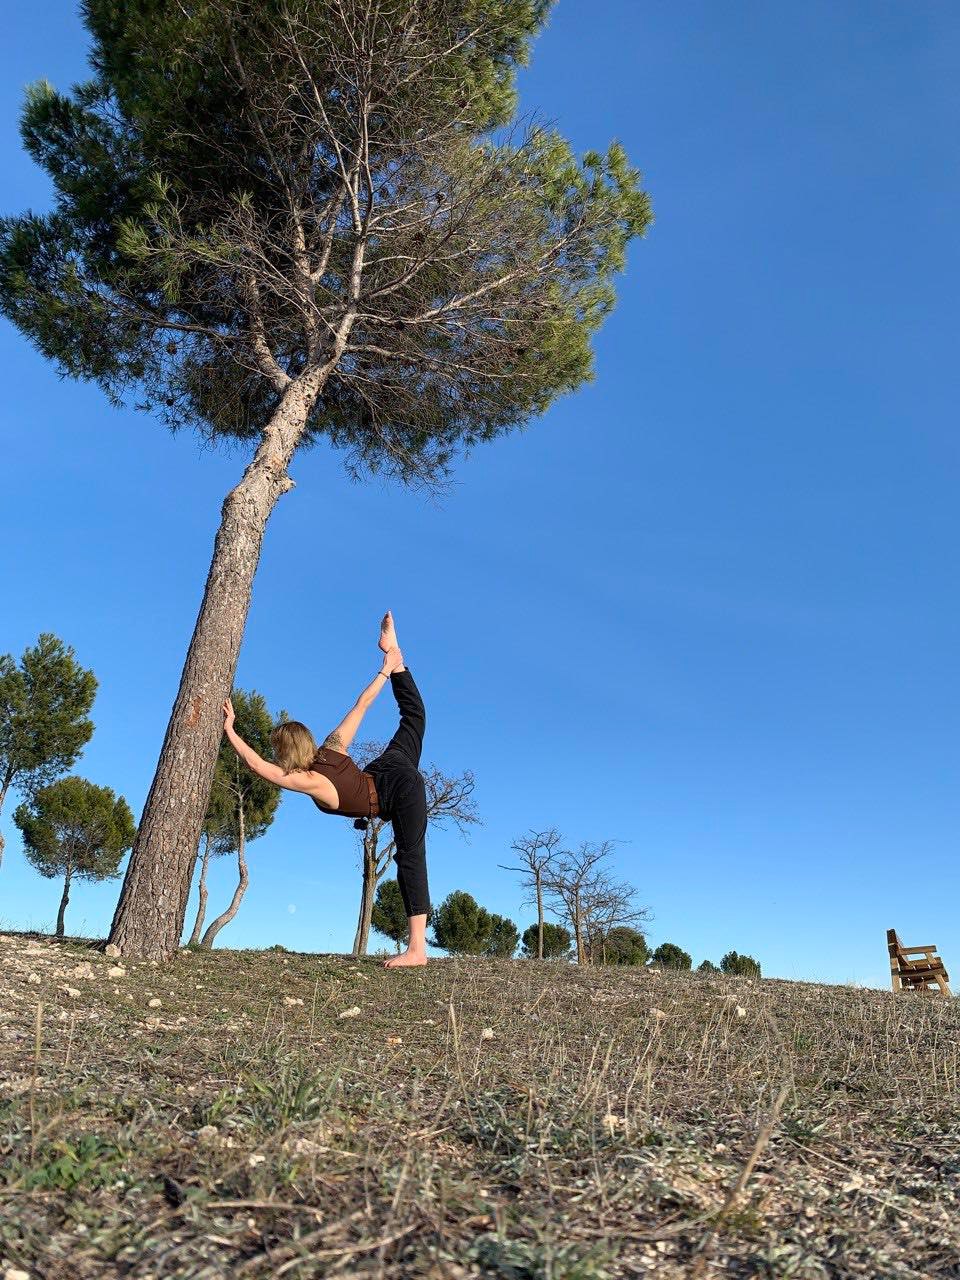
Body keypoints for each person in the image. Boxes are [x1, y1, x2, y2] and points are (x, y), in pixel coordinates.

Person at [222, 611, 430, 968]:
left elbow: (257, 766)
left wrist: (230, 730)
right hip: (389, 765)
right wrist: (385, 669)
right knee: (414, 719)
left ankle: (417, 950)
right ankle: (397, 659)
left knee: (411, 857)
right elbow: (362, 704)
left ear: (285, 754)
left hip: (397, 789)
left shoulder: (309, 780)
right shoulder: (333, 745)